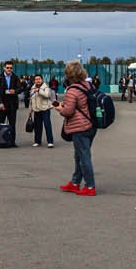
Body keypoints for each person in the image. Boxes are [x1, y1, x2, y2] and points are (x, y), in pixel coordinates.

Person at [55, 61, 98, 196]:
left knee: (83, 156)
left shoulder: (72, 90)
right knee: (79, 155)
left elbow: (68, 112)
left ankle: (90, 186)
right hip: (91, 124)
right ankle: (75, 182)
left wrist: (59, 108)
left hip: (80, 127)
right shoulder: (88, 85)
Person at [0, 62, 21, 146]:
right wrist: (0, 103)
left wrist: (15, 91)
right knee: (0, 123)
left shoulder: (15, 77)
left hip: (12, 104)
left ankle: (12, 142)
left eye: (11, 68)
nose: (9, 69)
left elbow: (20, 88)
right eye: (7, 68)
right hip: (2, 104)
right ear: (4, 68)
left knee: (12, 124)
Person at [28, 74, 56, 147]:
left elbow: (47, 95)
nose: (37, 80)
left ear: (42, 80)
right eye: (36, 79)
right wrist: (30, 110)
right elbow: (31, 99)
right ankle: (37, 141)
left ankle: (50, 142)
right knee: (37, 126)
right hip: (36, 110)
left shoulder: (45, 87)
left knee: (47, 125)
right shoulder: (32, 87)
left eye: (39, 79)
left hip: (45, 109)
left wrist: (39, 90)